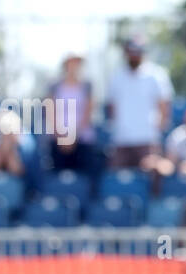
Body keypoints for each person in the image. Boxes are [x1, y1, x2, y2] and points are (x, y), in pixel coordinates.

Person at [105, 35, 173, 168]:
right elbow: (111, 107)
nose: (134, 55)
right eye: (131, 51)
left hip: (148, 139)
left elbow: (164, 106)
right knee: (117, 181)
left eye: (137, 51)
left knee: (150, 182)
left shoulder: (156, 74)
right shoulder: (117, 76)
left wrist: (157, 131)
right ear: (126, 53)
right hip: (122, 139)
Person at [48, 53, 99, 175]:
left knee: (83, 178)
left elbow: (88, 113)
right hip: (59, 140)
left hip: (82, 140)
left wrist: (73, 137)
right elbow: (50, 112)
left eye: (77, 62)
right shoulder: (54, 87)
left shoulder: (87, 86)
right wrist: (61, 136)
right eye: (71, 62)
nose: (74, 66)